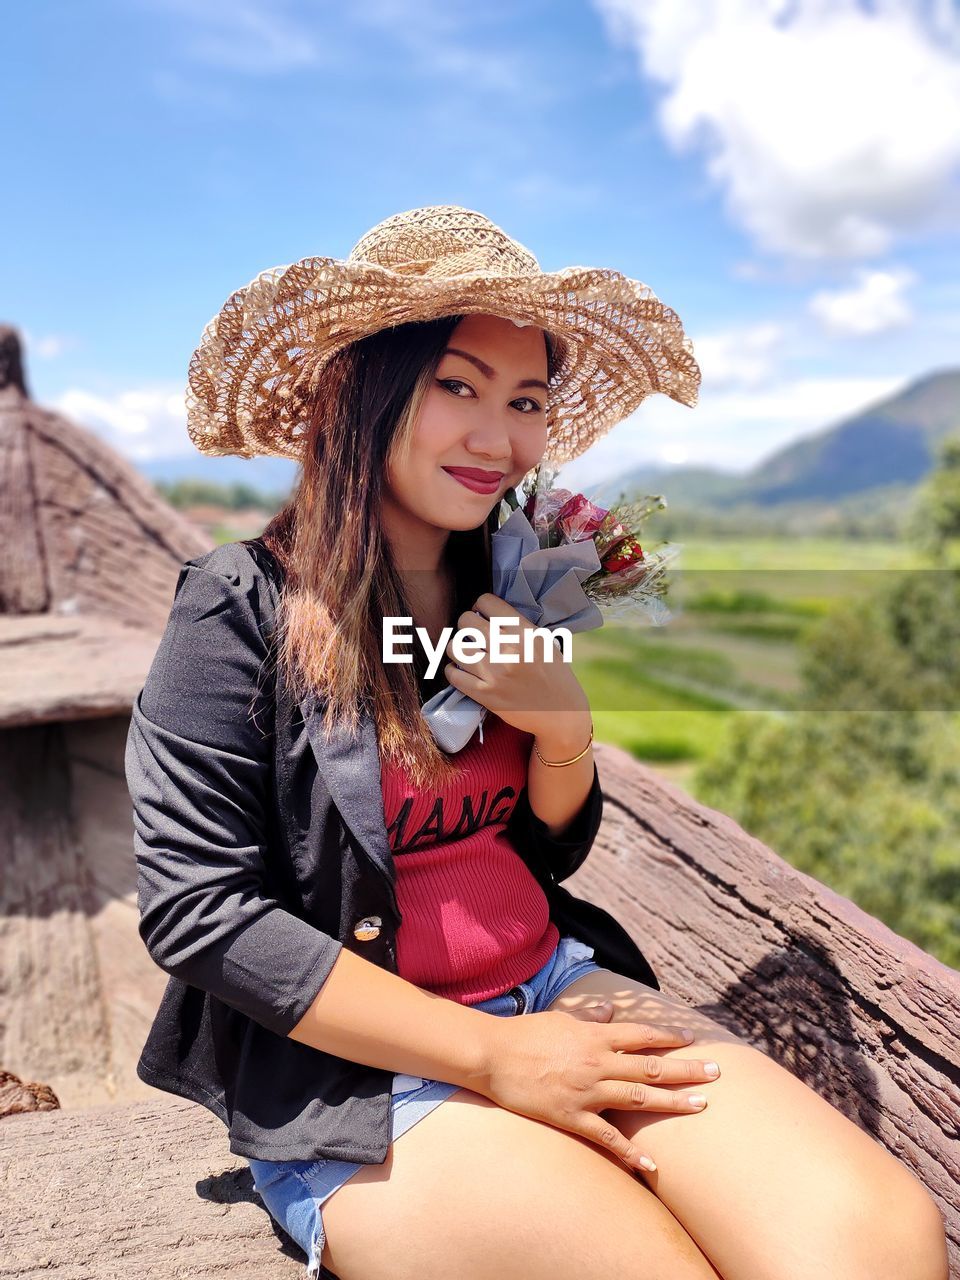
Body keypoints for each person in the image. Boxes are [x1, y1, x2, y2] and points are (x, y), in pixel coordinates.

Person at [126, 206, 948, 1280]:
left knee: (877, 1245)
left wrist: (564, 727)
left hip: (551, 985)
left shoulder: (513, 582)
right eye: (457, 386)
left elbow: (540, 851)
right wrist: (496, 1057)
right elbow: (200, 906)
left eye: (526, 402)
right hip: (364, 1072)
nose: (498, 435)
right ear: (354, 395)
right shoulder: (239, 606)